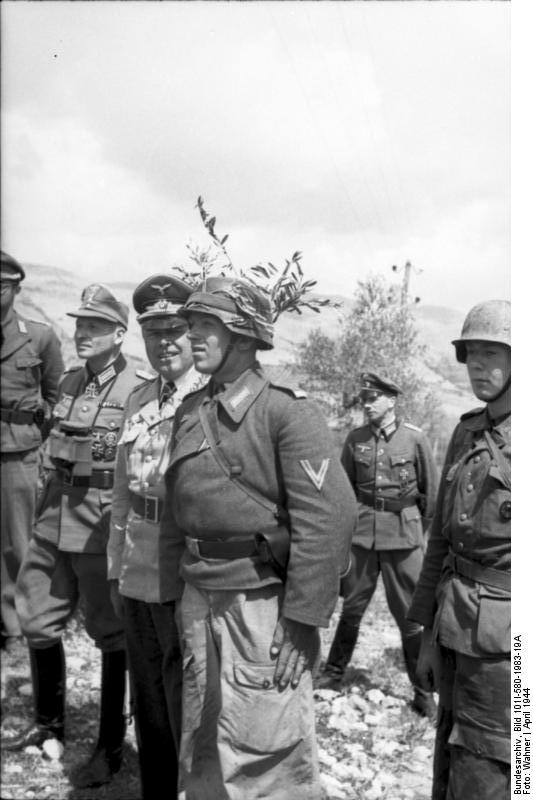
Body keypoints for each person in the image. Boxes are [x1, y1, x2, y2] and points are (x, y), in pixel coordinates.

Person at [158, 276, 357, 800]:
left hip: (262, 605)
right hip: (200, 595)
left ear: (244, 337)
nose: (192, 336)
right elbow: (179, 509)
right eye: (192, 323)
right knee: (204, 736)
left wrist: (304, 619)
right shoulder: (189, 411)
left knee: (265, 749)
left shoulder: (286, 412)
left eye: (207, 325)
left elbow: (329, 518)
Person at [3, 283, 142, 789]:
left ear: (119, 334)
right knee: (36, 614)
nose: (83, 333)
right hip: (53, 514)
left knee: (110, 629)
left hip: (99, 522)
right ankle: (48, 725)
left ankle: (109, 746)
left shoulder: (136, 390)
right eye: (80, 325)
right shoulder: (67, 381)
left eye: (95, 327)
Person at [408, 300, 511, 799]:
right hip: (454, 625)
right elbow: (441, 542)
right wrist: (427, 635)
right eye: (472, 354)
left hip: (506, 645)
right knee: (451, 757)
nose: (478, 366)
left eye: (493, 354)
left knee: (499, 764)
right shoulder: (467, 430)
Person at [107, 274, 204, 800]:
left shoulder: (209, 401)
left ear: (193, 334)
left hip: (184, 566)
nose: (165, 343)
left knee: (184, 691)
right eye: (153, 334)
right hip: (138, 565)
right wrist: (115, 563)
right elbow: (123, 487)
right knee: (145, 691)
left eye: (175, 330)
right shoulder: (140, 398)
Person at [315, 372, 439, 719]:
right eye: (364, 399)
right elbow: (345, 490)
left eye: (373, 399)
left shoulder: (415, 440)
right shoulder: (356, 439)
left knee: (412, 617)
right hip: (363, 536)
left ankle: (422, 691)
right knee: (352, 609)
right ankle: (333, 674)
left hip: (403, 537)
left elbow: (430, 498)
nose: (367, 405)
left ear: (391, 401)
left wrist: (416, 530)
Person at [1, 251, 64, 650]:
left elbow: (57, 397)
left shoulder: (38, 335)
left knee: (17, 543)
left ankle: (16, 629)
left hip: (17, 453)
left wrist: (37, 443)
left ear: (16, 289)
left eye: (1, 287)